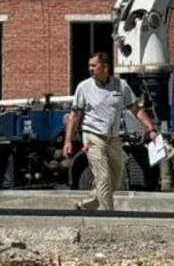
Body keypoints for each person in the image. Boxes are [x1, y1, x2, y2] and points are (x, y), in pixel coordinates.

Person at [63, 51, 160, 212]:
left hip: (113, 137)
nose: (90, 69)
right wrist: (68, 141)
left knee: (115, 177)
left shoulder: (121, 86)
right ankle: (109, 216)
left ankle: (86, 205)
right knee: (103, 177)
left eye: (94, 66)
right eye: (89, 66)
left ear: (105, 67)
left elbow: (136, 109)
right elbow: (74, 115)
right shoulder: (84, 87)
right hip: (93, 136)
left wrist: (151, 129)